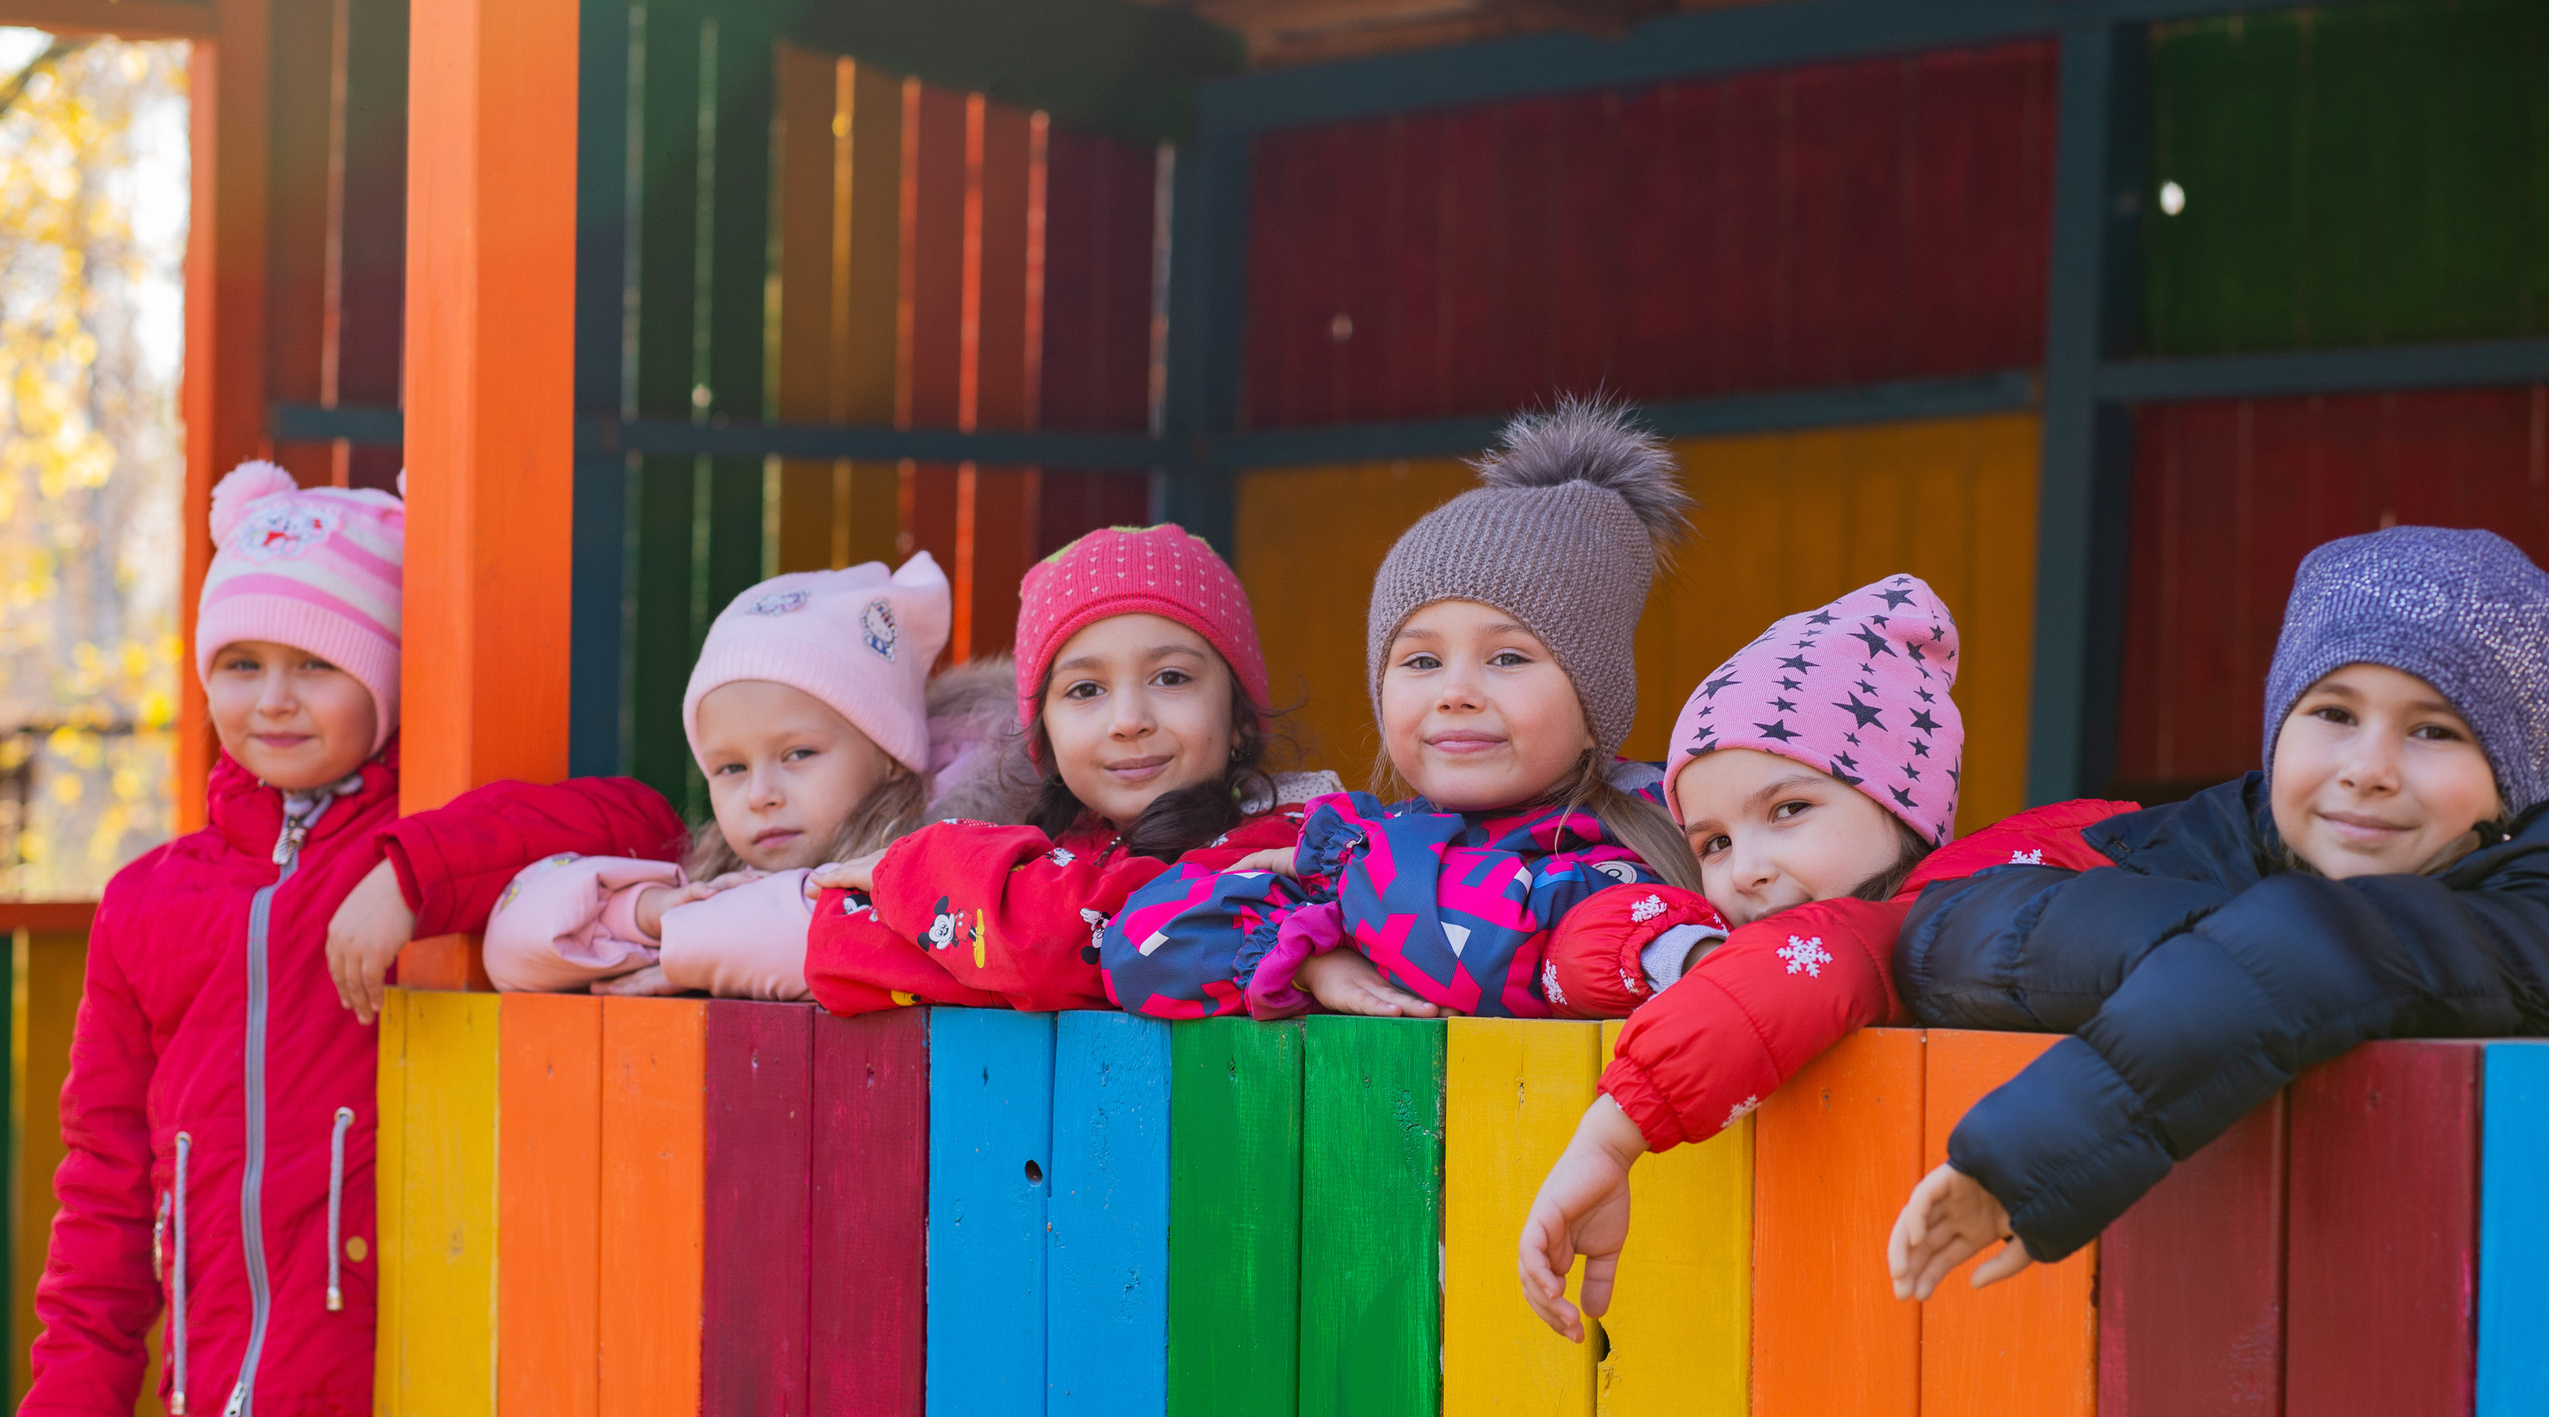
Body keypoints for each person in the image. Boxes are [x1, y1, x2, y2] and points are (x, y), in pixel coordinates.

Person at [10, 463, 672, 1417]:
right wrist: (83, 1406)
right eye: (241, 662)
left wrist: (414, 869)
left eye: (316, 663)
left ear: (387, 676)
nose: (272, 698)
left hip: (378, 1394)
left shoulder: (424, 843)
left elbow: (638, 820)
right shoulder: (150, 902)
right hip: (226, 1407)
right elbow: (106, 1175)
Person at [1886, 526, 2549, 1302]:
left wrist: (2028, 1154)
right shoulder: (2236, 830)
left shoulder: (2542, 898)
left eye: (2434, 730)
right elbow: (1944, 933)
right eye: (2333, 712)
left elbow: (2314, 944)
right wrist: (2226, 943)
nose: (2367, 769)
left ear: (2517, 773)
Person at [1515, 576, 2136, 1339]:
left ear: (1901, 806)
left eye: (1789, 809)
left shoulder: (1936, 913)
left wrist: (1612, 1136)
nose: (1746, 868)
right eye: (1714, 842)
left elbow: (1818, 959)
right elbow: (1583, 944)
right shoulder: (1764, 931)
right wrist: (1698, 953)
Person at [1102, 397, 1698, 1022]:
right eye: (1421, 661)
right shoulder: (1372, 840)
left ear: (1595, 701)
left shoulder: (1634, 850)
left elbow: (1482, 954)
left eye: (1508, 658)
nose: (1455, 692)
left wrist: (1343, 873)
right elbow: (1135, 947)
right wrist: (1305, 959)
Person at [405, 554, 1015, 1003]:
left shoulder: (944, 862)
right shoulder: (713, 880)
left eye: (798, 754)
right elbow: (510, 950)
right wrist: (647, 914)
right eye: (730, 768)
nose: (760, 794)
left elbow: (843, 935)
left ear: (889, 753)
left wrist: (688, 948)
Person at [802, 523, 1339, 1013]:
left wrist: (933, 876)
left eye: (1171, 677)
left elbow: (1129, 936)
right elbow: (837, 949)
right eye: (1085, 689)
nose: (1128, 721)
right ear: (1045, 733)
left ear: (1239, 716)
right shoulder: (1047, 846)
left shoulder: (1285, 847)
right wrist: (1012, 955)